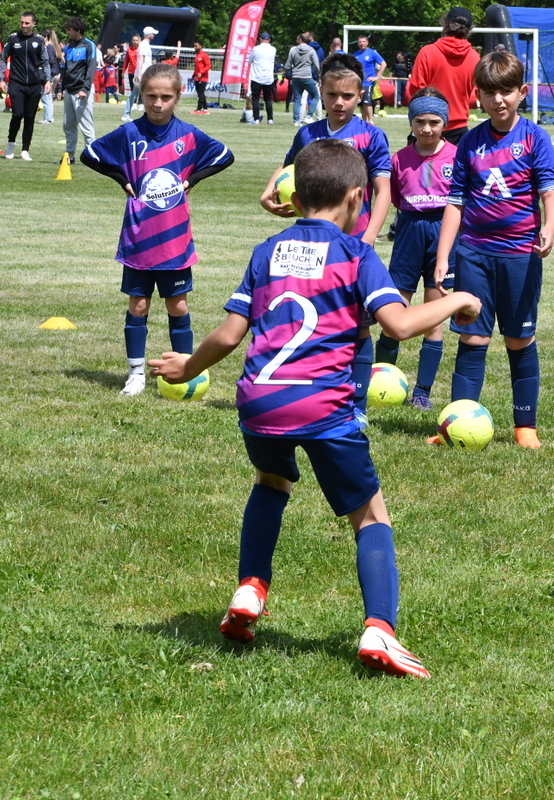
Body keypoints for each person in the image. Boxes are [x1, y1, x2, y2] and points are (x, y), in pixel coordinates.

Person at [148, 138, 481, 677]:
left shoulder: (267, 251)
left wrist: (188, 368)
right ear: (357, 198)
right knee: (370, 515)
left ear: (296, 198)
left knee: (271, 483)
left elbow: (230, 334)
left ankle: (250, 588)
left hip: (259, 402)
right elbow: (399, 325)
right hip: (322, 407)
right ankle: (380, 629)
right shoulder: (356, 255)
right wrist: (458, 299)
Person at [429, 50, 554, 449]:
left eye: (506, 91)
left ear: (522, 92)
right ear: (478, 96)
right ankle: (456, 425)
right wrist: (444, 256)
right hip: (473, 254)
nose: (498, 100)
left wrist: (549, 228)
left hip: (520, 256)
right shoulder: (470, 141)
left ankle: (525, 427)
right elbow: (455, 203)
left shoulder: (535, 138)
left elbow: (550, 193)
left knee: (518, 339)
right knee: (472, 339)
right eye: (489, 92)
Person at [81, 63, 235, 396]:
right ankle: (136, 374)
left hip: (173, 238)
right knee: (138, 305)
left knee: (177, 306)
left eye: (166, 97)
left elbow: (225, 156)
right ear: (142, 94)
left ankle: (185, 371)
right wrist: (121, 178)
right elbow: (89, 155)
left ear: (178, 96)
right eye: (151, 96)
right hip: (139, 238)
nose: (158, 103)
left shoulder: (188, 135)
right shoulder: (128, 133)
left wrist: (192, 180)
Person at [260, 53, 392, 421]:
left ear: (360, 95)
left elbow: (384, 191)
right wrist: (268, 191)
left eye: (347, 96)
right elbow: (287, 167)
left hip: (353, 244)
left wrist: (368, 237)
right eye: (332, 94)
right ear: (321, 91)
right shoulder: (308, 133)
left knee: (359, 325)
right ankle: (313, 392)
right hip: (313, 245)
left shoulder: (371, 135)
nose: (339, 102)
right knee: (318, 317)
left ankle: (357, 407)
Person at [374, 88, 458, 410]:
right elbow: (394, 198)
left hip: (443, 233)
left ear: (444, 123)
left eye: (434, 122)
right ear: (411, 123)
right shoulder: (399, 159)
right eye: (420, 121)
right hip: (409, 232)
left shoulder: (456, 157)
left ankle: (422, 391)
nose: (426, 128)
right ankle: (381, 384)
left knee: (433, 317)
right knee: (393, 312)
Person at [407, 8, 480, 145]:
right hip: (459, 129)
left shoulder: (427, 52)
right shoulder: (474, 57)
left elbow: (415, 91)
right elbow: (474, 95)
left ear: (445, 24)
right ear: (469, 30)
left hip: (428, 126)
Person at [2, 12, 49, 162]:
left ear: (34, 24)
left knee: (30, 117)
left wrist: (48, 80)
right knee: (17, 114)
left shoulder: (39, 40)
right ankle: (11, 144)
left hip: (34, 85)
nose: (24, 25)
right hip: (16, 83)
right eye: (22, 22)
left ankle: (25, 150)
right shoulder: (13, 38)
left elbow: (45, 61)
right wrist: (1, 79)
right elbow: (3, 58)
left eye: (27, 23)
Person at [61, 17, 97, 163]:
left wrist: (85, 89)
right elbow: (65, 69)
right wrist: (61, 88)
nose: (67, 33)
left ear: (78, 30)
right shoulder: (69, 46)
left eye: (69, 30)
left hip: (82, 91)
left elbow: (91, 69)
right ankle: (69, 156)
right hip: (69, 91)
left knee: (86, 126)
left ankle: (92, 157)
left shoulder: (89, 45)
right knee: (68, 125)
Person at [122, 26, 156, 120]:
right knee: (136, 94)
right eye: (152, 33)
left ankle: (127, 113)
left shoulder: (145, 44)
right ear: (149, 34)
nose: (154, 35)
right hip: (143, 74)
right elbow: (141, 59)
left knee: (138, 94)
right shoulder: (144, 45)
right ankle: (126, 114)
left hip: (144, 73)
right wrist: (140, 74)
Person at [286, 33, 320, 125]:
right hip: (307, 77)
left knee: (297, 99)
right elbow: (316, 64)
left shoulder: (293, 50)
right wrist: (319, 75)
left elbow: (288, 64)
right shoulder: (311, 50)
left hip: (296, 77)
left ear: (300, 40)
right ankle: (309, 116)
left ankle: (296, 121)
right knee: (316, 96)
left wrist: (286, 72)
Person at [350, 35, 385, 123]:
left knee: (367, 102)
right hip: (359, 82)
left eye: (363, 41)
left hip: (368, 82)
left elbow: (383, 64)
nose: (362, 43)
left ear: (367, 42)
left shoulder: (372, 52)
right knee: (361, 104)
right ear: (357, 43)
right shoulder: (355, 54)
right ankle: (364, 122)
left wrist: (377, 76)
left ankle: (371, 121)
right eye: (360, 42)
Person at [248, 32, 277, 124]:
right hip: (268, 78)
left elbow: (250, 60)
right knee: (268, 99)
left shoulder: (256, 49)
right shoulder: (273, 49)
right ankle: (270, 119)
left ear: (260, 39)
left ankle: (256, 119)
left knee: (256, 99)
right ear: (269, 40)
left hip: (257, 77)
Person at [40, 30, 61, 124]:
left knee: (46, 97)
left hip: (50, 73)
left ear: (46, 37)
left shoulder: (49, 47)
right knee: (47, 97)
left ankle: (48, 118)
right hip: (52, 73)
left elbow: (51, 61)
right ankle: (47, 117)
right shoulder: (49, 46)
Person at [191, 41, 211, 113]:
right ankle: (205, 109)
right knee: (200, 94)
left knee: (201, 94)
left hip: (203, 78)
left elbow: (208, 66)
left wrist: (201, 72)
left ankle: (199, 109)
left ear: (201, 46)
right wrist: (193, 76)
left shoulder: (204, 55)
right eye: (194, 46)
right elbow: (196, 68)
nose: (194, 48)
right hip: (197, 78)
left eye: (196, 46)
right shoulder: (197, 56)